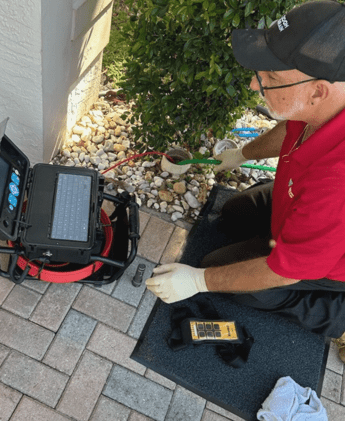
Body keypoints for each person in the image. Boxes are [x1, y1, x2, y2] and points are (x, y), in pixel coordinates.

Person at [145, 0, 345, 362]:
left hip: (330, 261)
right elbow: (289, 125)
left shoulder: (337, 182)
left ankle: (338, 319)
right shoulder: (320, 103)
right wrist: (242, 154)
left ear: (318, 91)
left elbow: (286, 271)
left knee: (237, 283)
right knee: (234, 212)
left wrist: (197, 282)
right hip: (301, 201)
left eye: (271, 79)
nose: (255, 83)